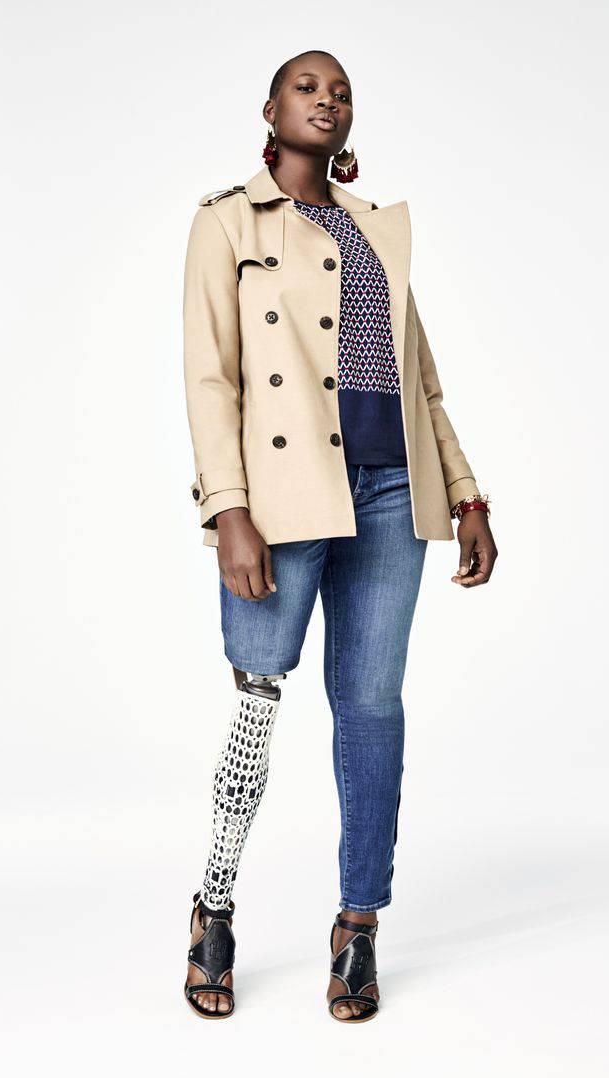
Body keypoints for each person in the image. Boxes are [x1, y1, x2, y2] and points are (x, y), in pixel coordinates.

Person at [182, 49, 498, 1022]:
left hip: (393, 491)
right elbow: (211, 377)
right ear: (270, 109)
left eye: (342, 92)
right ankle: (213, 907)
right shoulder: (226, 222)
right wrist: (227, 507)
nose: (327, 100)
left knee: (371, 709)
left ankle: (358, 925)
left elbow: (421, 381)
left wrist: (466, 493)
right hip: (282, 500)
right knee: (257, 700)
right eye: (307, 87)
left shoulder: (371, 229)